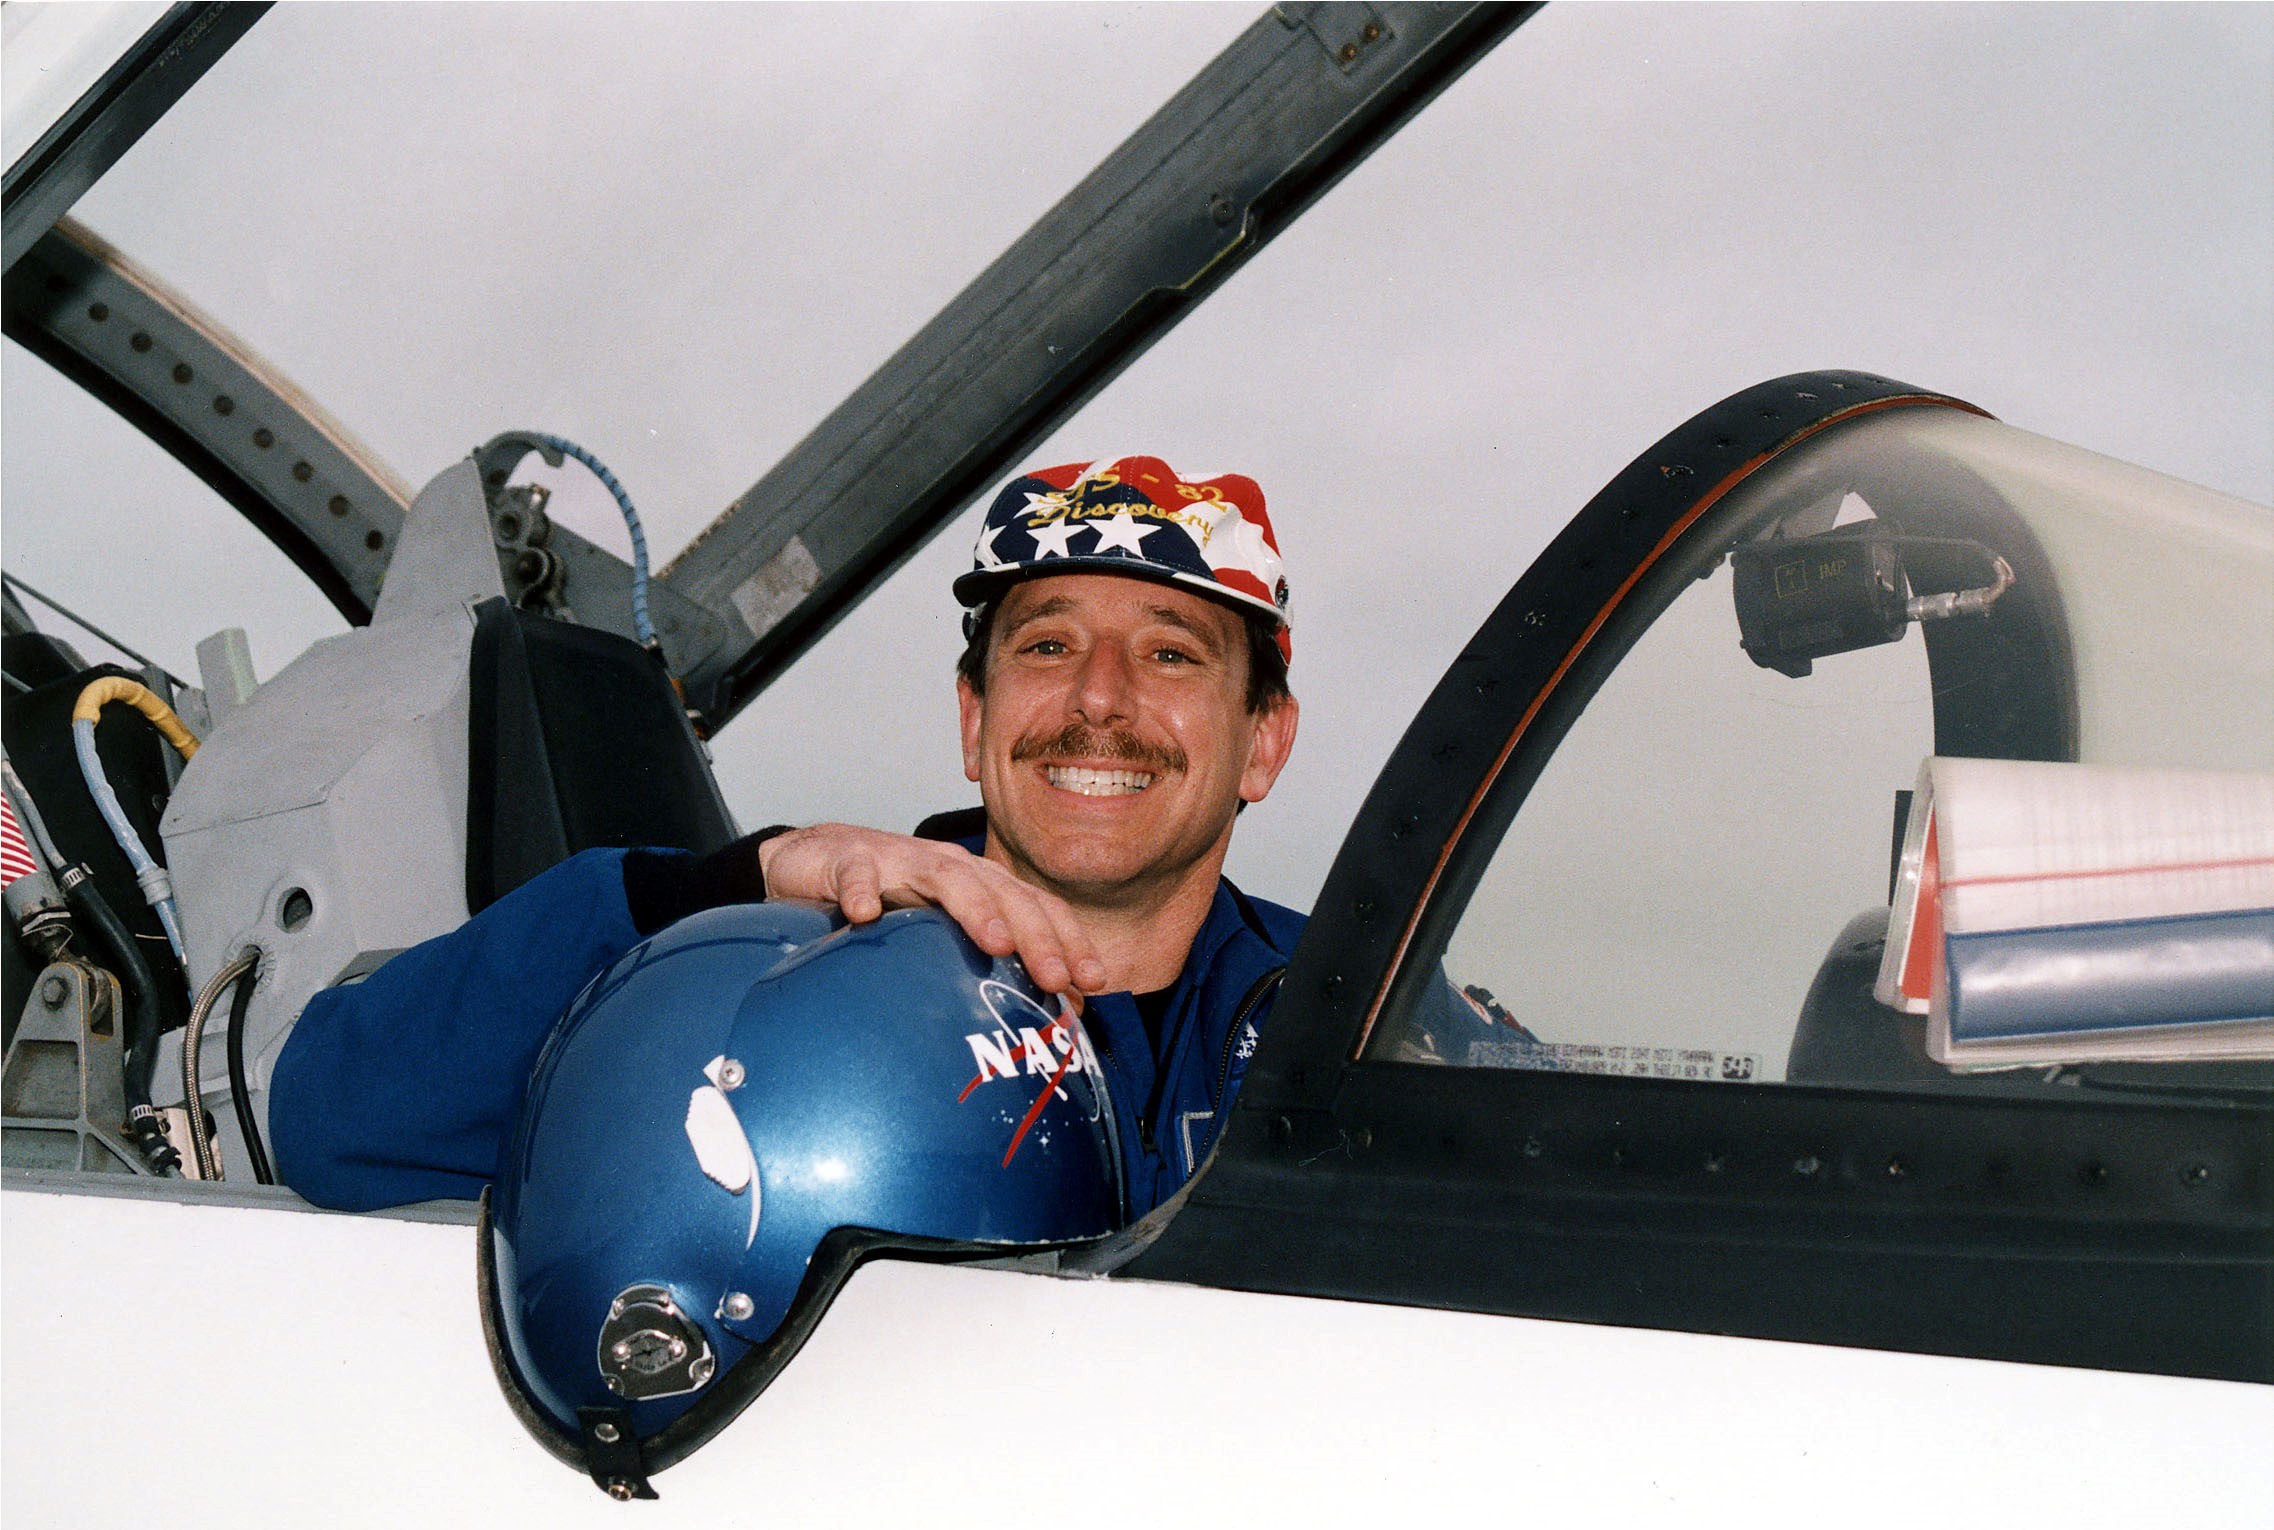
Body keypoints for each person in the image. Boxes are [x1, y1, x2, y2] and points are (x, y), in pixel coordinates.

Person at [270, 454, 1304, 1220]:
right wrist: (720, 895)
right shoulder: (794, 981)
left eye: (1171, 655)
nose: (1098, 697)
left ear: (1264, 741)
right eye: (1047, 642)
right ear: (975, 720)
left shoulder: (1364, 1018)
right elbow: (332, 1115)